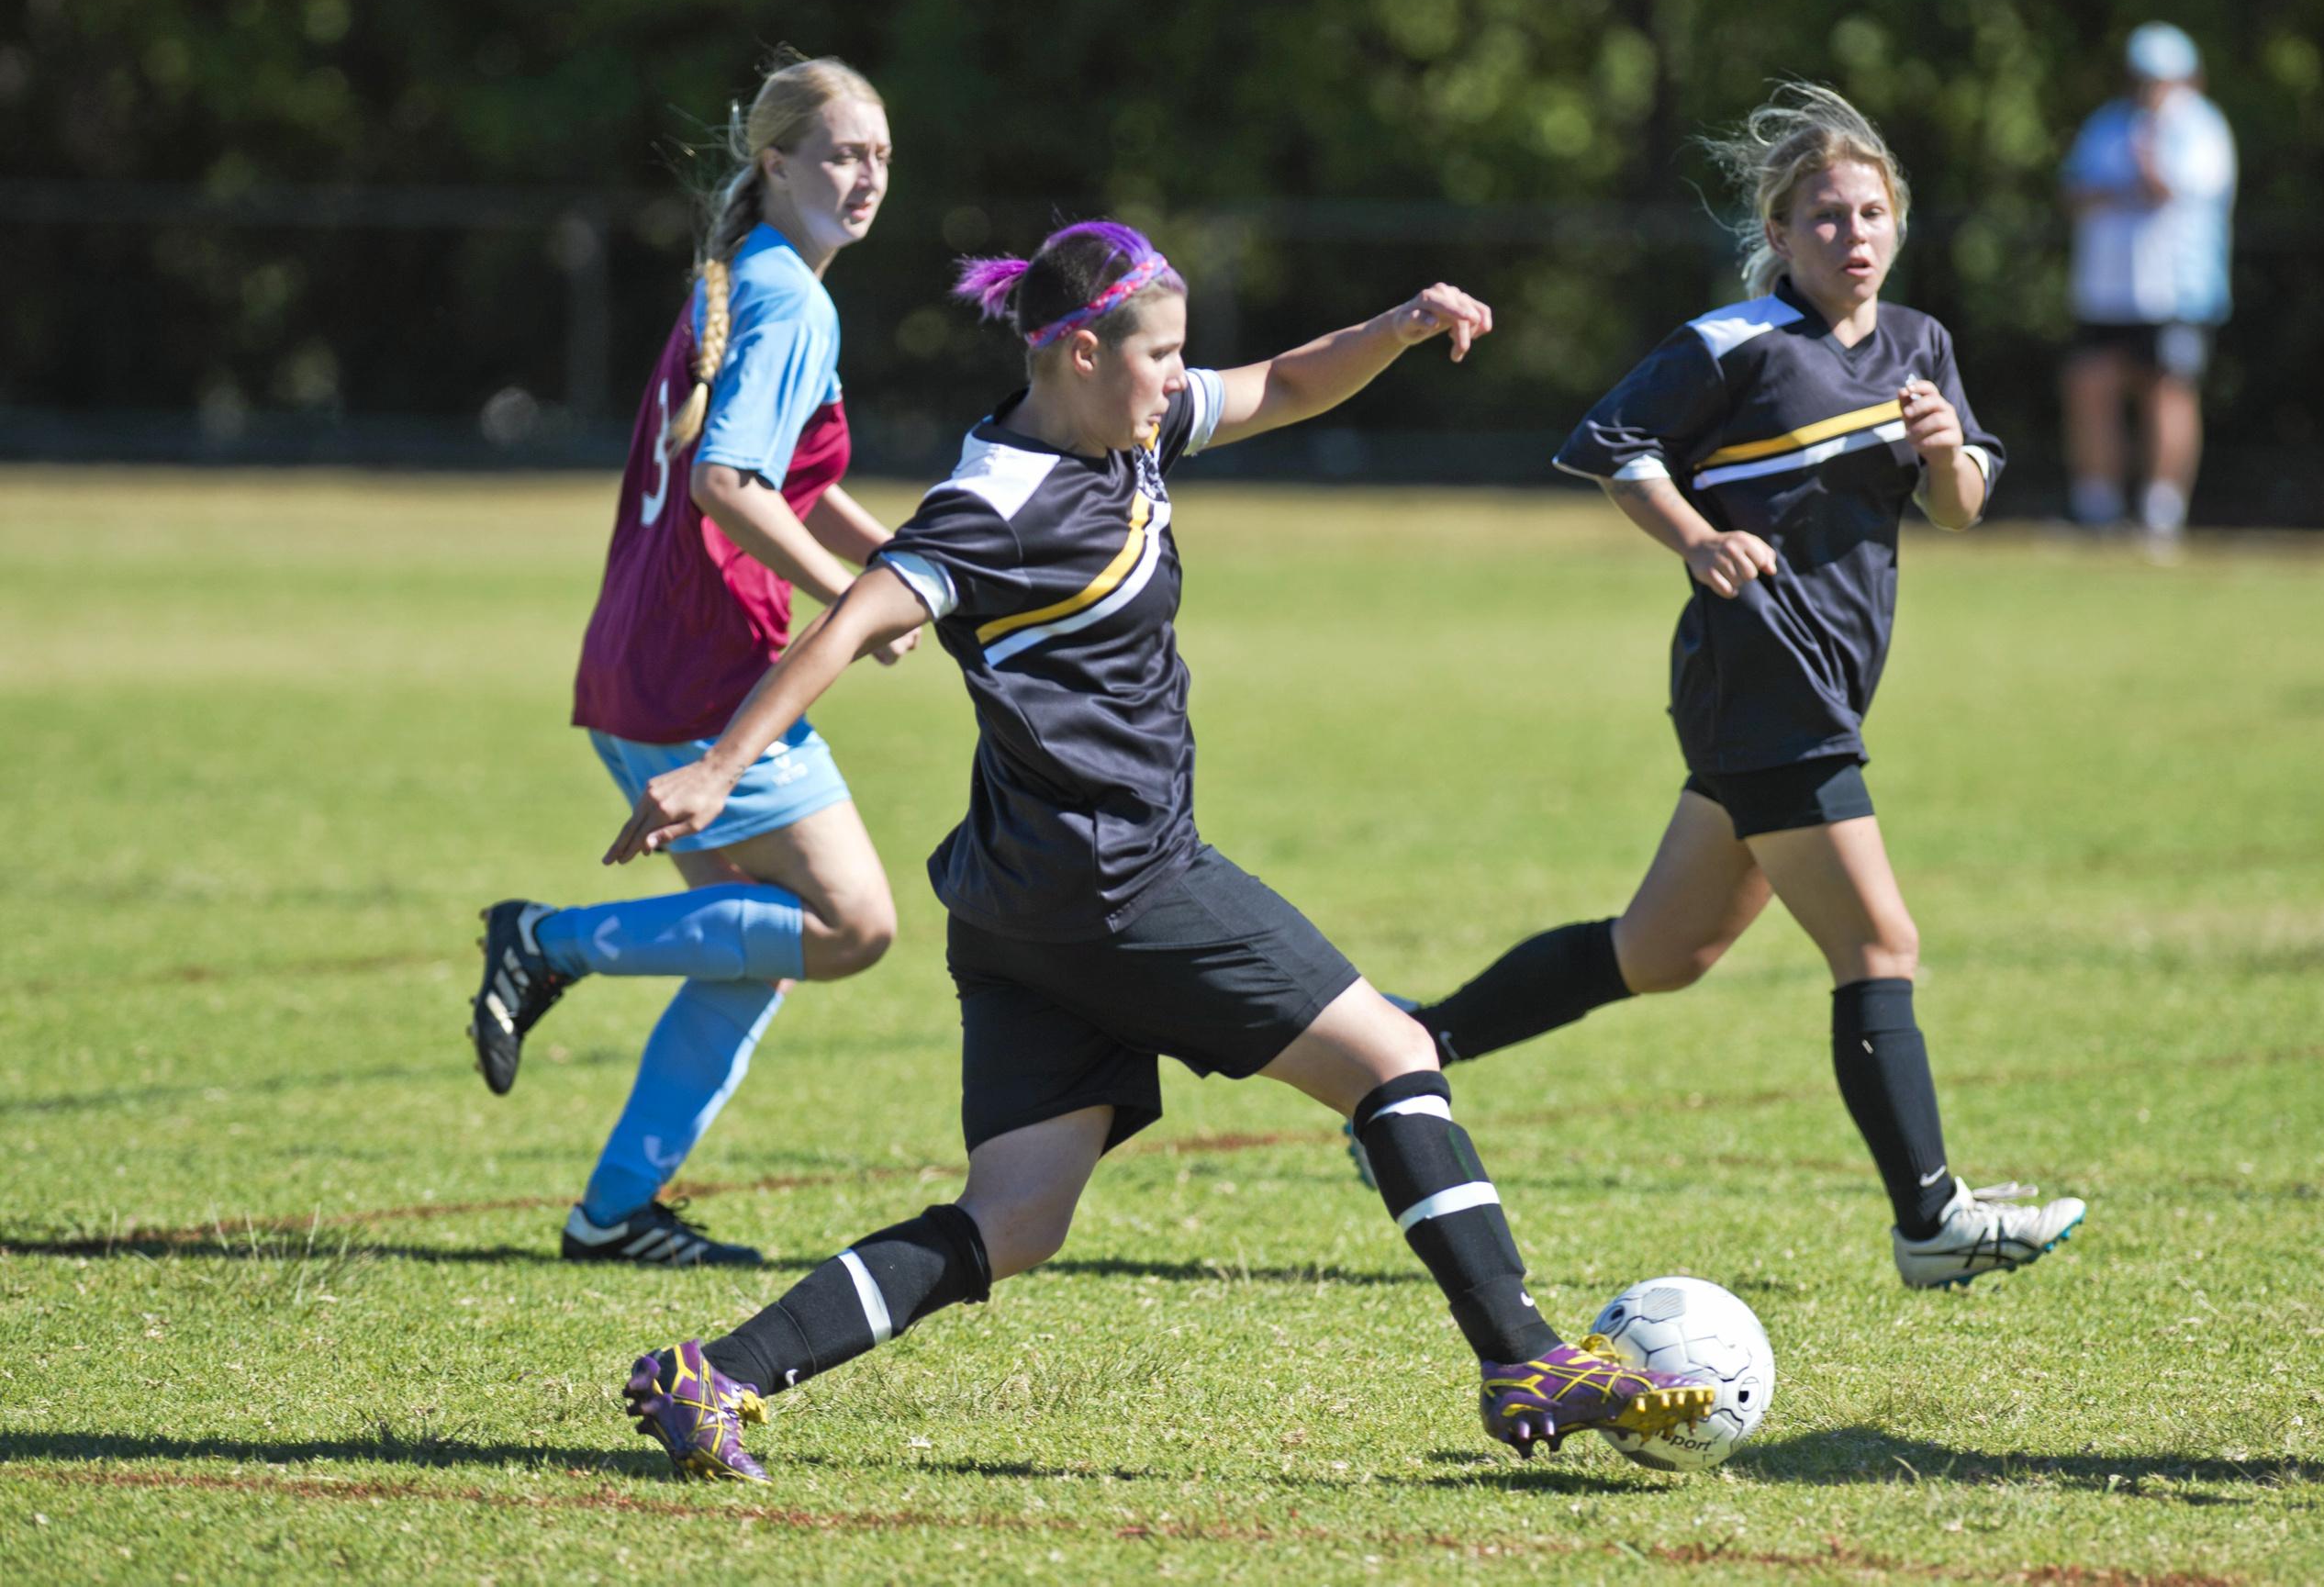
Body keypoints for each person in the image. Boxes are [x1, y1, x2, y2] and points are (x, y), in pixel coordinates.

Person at [605, 219, 1715, 1481]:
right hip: (1122, 881)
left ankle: (720, 1372)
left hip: (1022, 908)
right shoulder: (996, 504)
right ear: (1080, 351)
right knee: (1394, 1055)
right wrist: (718, 765)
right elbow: (854, 617)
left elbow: (1286, 384)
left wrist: (1395, 329)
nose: (1183, 379)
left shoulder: (1129, 432)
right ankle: (1522, 1349)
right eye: (1164, 356)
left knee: (1013, 1217)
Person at [1360, 85, 2085, 1291]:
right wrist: (1693, 534)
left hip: (1821, 687)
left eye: (1868, 213)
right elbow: (1607, 444)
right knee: (1878, 942)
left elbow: (1960, 507)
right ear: (1781, 231)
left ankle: (1399, 1048)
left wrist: (1945, 449)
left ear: (1895, 223)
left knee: (1662, 950)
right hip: (1762, 676)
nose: (1850, 235)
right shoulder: (1732, 341)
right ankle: (1930, 1219)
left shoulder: (1919, 348)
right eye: (1822, 218)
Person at [467, 53, 919, 1268]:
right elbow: (728, 485)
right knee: (851, 924)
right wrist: (858, 602)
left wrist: (911, 570)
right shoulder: (791, 298)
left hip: (641, 651)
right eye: (840, 152)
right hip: (699, 665)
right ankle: (546, 940)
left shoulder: (757, 280)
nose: (866, 174)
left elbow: (797, 485)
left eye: (879, 152)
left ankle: (613, 1211)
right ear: (774, 165)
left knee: (757, 942)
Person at [2060, 22, 2238, 542]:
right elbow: (2075, 193)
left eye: (2160, 79)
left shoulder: (2202, 129)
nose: (2149, 90)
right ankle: (2097, 507)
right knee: (2091, 385)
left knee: (2168, 391)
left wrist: (2145, 160)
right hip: (2107, 288)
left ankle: (2162, 513)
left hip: (2174, 290)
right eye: (2142, 78)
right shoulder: (2107, 124)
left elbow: (2168, 189)